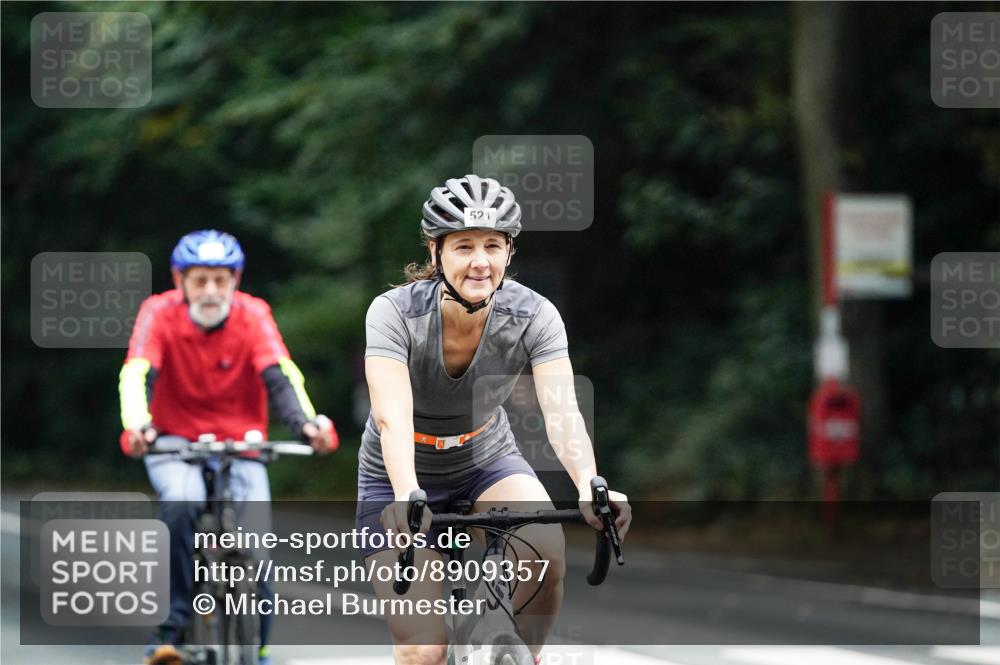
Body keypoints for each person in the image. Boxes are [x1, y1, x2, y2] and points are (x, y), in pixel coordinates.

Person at [359, 175, 631, 665]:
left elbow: (563, 411)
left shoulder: (534, 314)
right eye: (464, 246)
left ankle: (526, 657)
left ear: (509, 251)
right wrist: (405, 496)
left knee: (546, 548)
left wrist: (592, 484)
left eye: (492, 245)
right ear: (436, 251)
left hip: (486, 458)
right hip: (397, 474)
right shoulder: (393, 313)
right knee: (423, 651)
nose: (480, 261)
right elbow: (391, 417)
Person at [118, 229, 338, 665]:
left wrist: (307, 424)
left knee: (257, 538)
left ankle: (257, 647)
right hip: (174, 442)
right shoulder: (158, 313)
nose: (211, 291)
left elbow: (280, 374)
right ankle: (173, 627)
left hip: (241, 442)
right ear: (180, 281)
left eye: (221, 279)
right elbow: (136, 373)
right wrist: (138, 426)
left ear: (236, 281)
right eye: (200, 280)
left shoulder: (253, 315)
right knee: (182, 502)